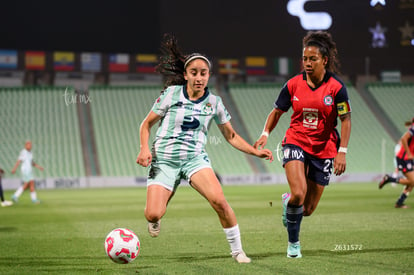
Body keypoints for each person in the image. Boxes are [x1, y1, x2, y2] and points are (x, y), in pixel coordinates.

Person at [136, 34, 273, 263]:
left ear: (208, 75)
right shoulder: (170, 95)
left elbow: (230, 135)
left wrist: (255, 151)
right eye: (194, 73)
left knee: (219, 201)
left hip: (194, 160)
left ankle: (238, 251)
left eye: (203, 73)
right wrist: (144, 149)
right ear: (186, 75)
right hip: (164, 160)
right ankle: (160, 207)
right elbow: (146, 124)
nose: (199, 77)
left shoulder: (215, 103)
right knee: (153, 213)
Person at [254, 31, 351, 258]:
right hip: (295, 141)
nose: (307, 63)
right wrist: (265, 133)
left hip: (324, 148)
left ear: (324, 60)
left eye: (313, 59)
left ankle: (288, 203)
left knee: (306, 209)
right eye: (305, 59)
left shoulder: (336, 87)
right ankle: (293, 245)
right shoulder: (293, 85)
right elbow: (277, 111)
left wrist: (342, 152)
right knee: (299, 193)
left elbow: (346, 119)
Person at [379, 118, 414, 208]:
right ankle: (390, 179)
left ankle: (399, 202)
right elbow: (403, 139)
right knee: (412, 181)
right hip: (404, 158)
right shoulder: (413, 129)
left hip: (408, 159)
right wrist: (409, 153)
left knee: (412, 182)